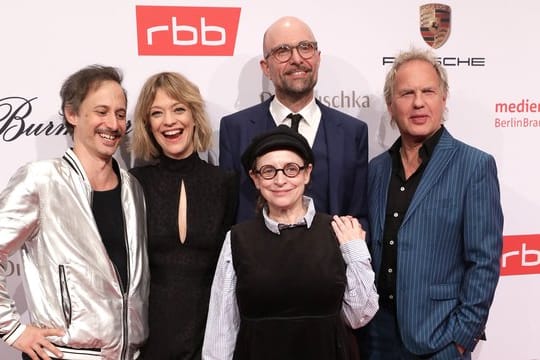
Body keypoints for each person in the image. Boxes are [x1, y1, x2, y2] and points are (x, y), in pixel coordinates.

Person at [358, 48, 504, 359]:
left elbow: (484, 262)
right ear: (391, 105)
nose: (418, 102)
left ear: (443, 98)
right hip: (375, 337)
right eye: (407, 93)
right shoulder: (375, 170)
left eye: (428, 91)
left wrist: (462, 337)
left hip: (439, 338)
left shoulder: (474, 166)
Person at [0, 65, 149, 360]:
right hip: (64, 354)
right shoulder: (41, 180)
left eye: (120, 114)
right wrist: (12, 329)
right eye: (101, 112)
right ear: (72, 114)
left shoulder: (133, 187)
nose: (114, 124)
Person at [202, 125, 378, 360]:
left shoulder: (338, 232)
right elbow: (221, 330)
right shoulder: (238, 239)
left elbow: (358, 316)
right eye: (268, 171)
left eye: (291, 169)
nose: (280, 180)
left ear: (307, 173)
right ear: (255, 179)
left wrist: (355, 250)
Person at [219, 16, 369, 224]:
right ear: (265, 67)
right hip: (258, 255)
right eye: (283, 51)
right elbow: (229, 214)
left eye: (305, 48)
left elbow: (359, 214)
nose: (297, 59)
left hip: (331, 254)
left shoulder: (353, 132)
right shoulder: (236, 129)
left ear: (318, 57)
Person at [129, 72, 237, 359]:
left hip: (211, 333)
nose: (169, 121)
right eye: (157, 113)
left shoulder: (225, 183)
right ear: (147, 125)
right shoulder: (133, 183)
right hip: (150, 338)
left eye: (178, 109)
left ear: (193, 116)